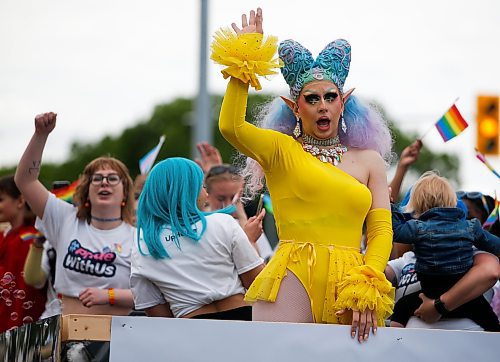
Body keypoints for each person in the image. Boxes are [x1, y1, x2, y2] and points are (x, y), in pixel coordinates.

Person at [212, 8, 394, 341]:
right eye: (311, 98)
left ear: (344, 101)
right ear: (295, 106)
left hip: (352, 282)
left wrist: (369, 281)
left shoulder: (369, 160)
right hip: (292, 276)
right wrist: (244, 61)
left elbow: (381, 229)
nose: (322, 105)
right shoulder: (281, 151)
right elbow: (231, 126)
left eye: (330, 97)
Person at [14, 112, 135, 316]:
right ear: (86, 191)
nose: (104, 182)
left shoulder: (137, 238)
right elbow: (25, 181)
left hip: (117, 341)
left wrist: (109, 295)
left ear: (125, 192)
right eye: (97, 179)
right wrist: (40, 135)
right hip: (67, 339)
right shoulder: (65, 219)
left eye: (113, 178)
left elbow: (152, 295)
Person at [130, 157, 264, 320]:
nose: (206, 194)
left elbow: (159, 316)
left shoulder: (143, 244)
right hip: (241, 319)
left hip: (189, 331)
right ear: (187, 190)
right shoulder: (222, 222)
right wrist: (249, 242)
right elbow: (258, 284)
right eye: (201, 186)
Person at [391, 171, 500, 331]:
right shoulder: (471, 227)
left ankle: (394, 345)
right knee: (490, 321)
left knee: (401, 308)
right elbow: (495, 245)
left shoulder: (417, 228)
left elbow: (397, 232)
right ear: (452, 201)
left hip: (429, 293)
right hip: (465, 299)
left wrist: (389, 207)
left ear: (416, 207)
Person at [0, 175, 47, 333]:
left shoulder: (31, 240)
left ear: (20, 201)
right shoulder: (6, 236)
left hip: (21, 327)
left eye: (1, 200)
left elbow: (26, 289)